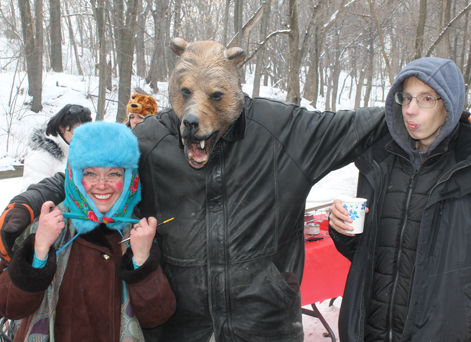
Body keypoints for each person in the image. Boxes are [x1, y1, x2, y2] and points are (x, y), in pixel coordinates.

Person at [0, 38, 388, 342]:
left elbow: (365, 126)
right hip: (180, 326)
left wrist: (422, 106)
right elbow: (90, 173)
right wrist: (27, 203)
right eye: (186, 93)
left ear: (233, 88)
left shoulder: (282, 131)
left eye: (215, 97)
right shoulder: (152, 138)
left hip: (265, 325)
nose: (193, 113)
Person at [328, 57, 471, 341]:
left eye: (426, 98)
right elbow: (371, 254)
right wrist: (344, 229)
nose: (410, 109)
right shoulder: (379, 161)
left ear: (449, 104)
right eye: (406, 97)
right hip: (369, 331)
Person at [0, 122, 176, 341]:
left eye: (114, 174)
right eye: (90, 173)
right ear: (74, 175)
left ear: (129, 178)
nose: (101, 185)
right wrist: (39, 250)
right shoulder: (48, 223)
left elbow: (158, 315)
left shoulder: (139, 232)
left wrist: (141, 261)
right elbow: (10, 306)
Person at [21, 104, 93, 191]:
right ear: (61, 127)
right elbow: (32, 195)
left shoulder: (87, 156)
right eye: (75, 130)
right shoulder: (40, 157)